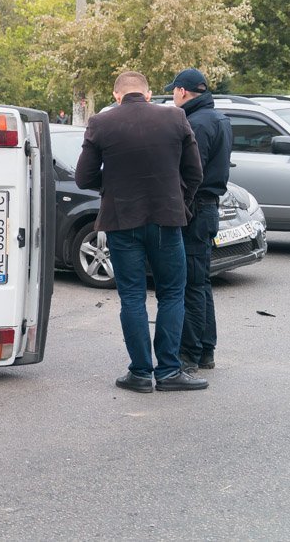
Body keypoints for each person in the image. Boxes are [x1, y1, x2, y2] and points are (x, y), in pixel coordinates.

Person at [74, 71, 208, 393]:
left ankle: (139, 373)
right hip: (166, 220)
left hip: (121, 222)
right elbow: (195, 173)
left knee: (132, 297)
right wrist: (181, 202)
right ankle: (168, 371)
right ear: (147, 94)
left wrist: (112, 190)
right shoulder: (175, 117)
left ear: (116, 95)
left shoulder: (101, 123)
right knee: (172, 294)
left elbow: (83, 177)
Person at [167, 68, 231, 373]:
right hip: (207, 208)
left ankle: (188, 355)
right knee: (200, 282)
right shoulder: (216, 118)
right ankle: (206, 350)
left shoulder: (196, 123)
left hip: (196, 209)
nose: (172, 97)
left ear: (182, 91)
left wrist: (182, 210)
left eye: (173, 92)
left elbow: (193, 173)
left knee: (191, 284)